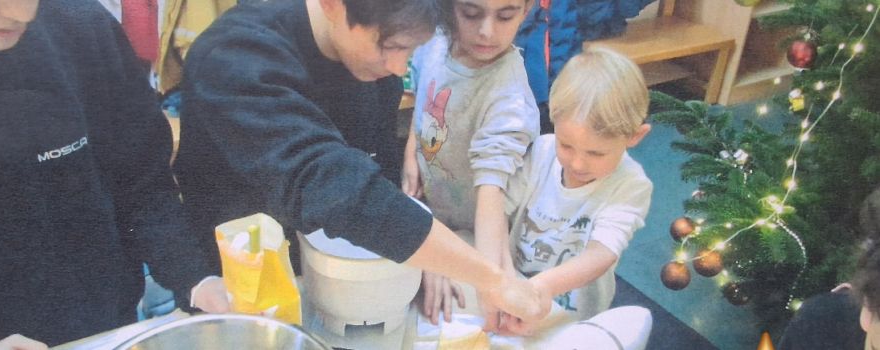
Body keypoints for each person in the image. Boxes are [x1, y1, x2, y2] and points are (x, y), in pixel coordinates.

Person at [173, 0, 548, 327]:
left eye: (411, 49)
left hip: (329, 278)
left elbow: (375, 168)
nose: (398, 67)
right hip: (234, 283)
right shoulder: (237, 56)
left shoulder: (373, 66)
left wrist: (433, 257)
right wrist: (493, 280)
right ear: (333, 5)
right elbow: (336, 187)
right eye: (391, 46)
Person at [0, 0, 229, 348]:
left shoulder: (81, 25)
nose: (22, 13)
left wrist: (196, 279)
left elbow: (143, 184)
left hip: (104, 327)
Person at [401, 0, 540, 328]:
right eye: (471, 13)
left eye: (506, 16)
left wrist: (492, 286)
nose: (487, 31)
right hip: (431, 210)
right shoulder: (435, 40)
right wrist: (411, 151)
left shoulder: (510, 100)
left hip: (476, 233)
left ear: (527, 9)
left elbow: (491, 197)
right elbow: (425, 98)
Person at [500, 47, 653, 335]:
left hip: (575, 315)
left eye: (596, 153)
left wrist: (542, 287)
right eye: (566, 145)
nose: (578, 163)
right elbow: (498, 210)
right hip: (516, 287)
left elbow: (601, 254)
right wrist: (503, 272)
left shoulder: (631, 185)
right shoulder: (542, 151)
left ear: (635, 136)